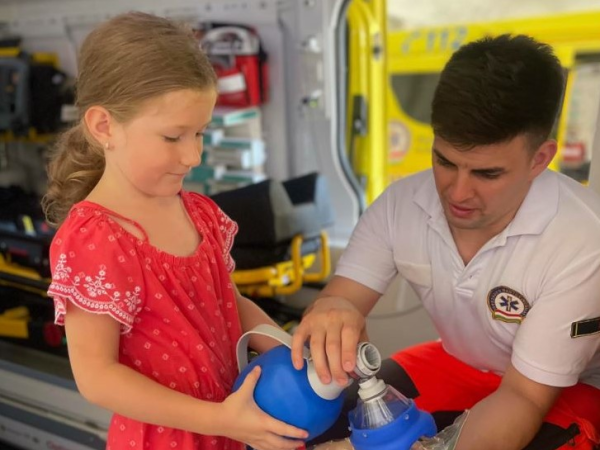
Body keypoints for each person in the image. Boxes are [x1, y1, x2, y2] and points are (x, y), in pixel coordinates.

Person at [291, 34, 600, 450]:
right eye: (445, 161)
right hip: (455, 363)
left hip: (560, 388)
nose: (457, 193)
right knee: (308, 426)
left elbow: (523, 396)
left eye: (487, 174)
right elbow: (342, 298)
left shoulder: (583, 239)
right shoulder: (402, 203)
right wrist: (333, 313)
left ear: (540, 159)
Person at [42, 12, 308, 450]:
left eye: (200, 133)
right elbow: (97, 378)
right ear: (104, 126)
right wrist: (218, 419)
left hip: (227, 427)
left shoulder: (198, 212)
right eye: (173, 137)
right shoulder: (97, 237)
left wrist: (292, 352)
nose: (193, 155)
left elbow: (228, 301)